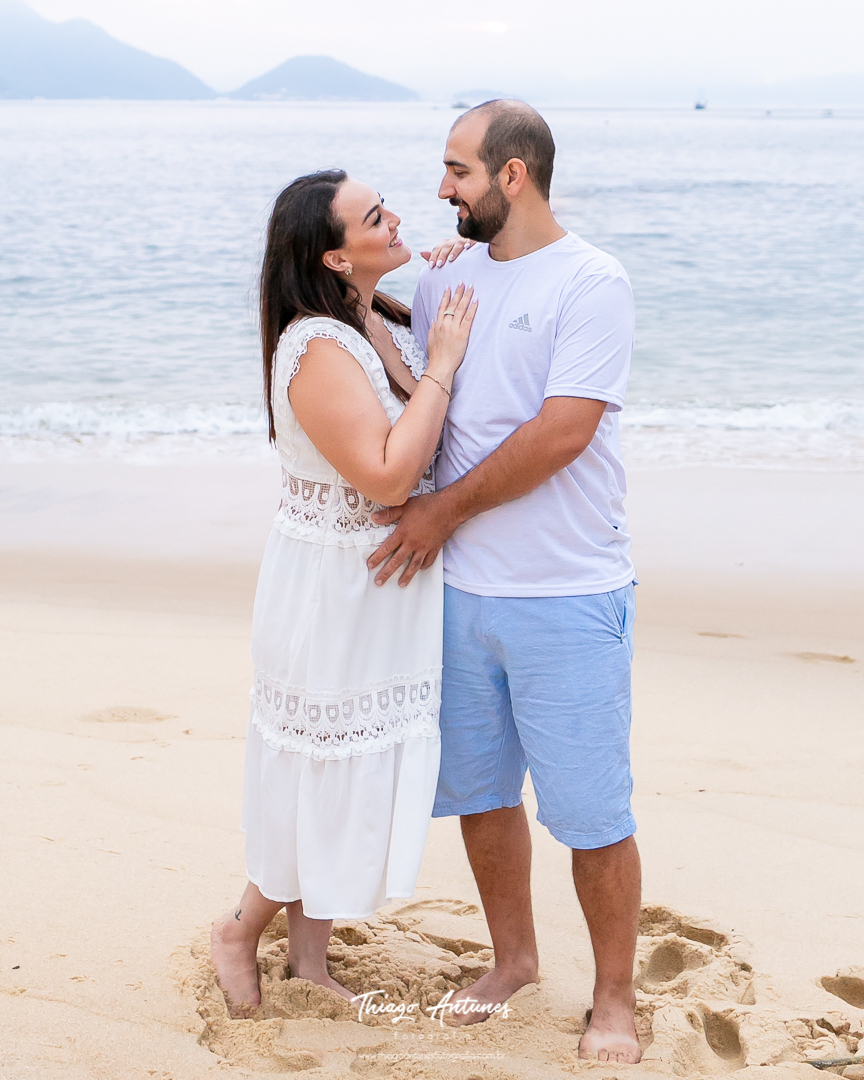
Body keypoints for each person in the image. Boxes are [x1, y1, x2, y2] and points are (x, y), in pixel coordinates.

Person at [368, 101, 642, 1064]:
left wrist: (441, 512)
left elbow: (563, 432)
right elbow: (427, 394)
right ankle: (514, 958)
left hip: (567, 591)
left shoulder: (593, 282)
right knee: (482, 794)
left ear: (512, 174)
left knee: (592, 813)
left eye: (457, 171)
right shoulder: (450, 281)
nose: (441, 188)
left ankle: (615, 999)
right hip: (459, 595)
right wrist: (357, 298)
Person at [210, 169, 477, 1015]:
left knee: (338, 770)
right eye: (375, 215)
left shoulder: (368, 317)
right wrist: (441, 364)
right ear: (332, 252)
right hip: (334, 589)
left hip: (375, 585)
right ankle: (241, 929)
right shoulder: (319, 346)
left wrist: (454, 264)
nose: (396, 215)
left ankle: (311, 961)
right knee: (316, 769)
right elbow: (390, 475)